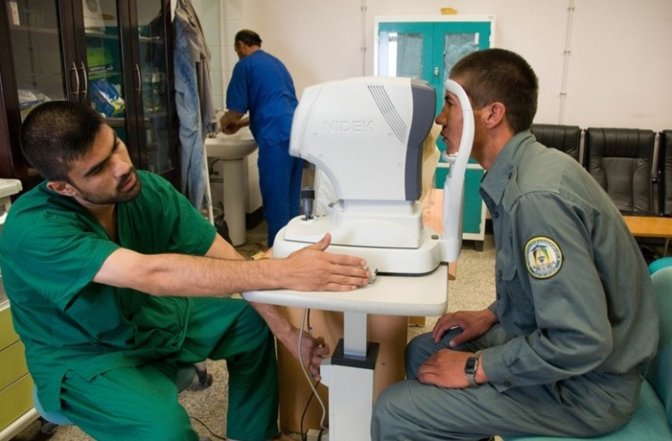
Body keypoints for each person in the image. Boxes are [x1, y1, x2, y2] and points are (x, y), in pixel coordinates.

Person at [0, 101, 370, 441]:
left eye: (115, 144)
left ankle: (253, 435)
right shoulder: (33, 229)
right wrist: (284, 272)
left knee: (249, 322)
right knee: (166, 431)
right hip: (84, 354)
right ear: (62, 187)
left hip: (147, 317)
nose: (122, 166)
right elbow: (151, 274)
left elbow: (230, 262)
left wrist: (288, 334)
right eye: (98, 169)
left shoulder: (145, 191)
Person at [371, 48, 659, 440]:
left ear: (492, 114)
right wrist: (492, 314)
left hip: (586, 389)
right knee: (425, 350)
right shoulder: (528, 168)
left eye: (450, 104)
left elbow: (581, 340)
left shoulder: (535, 199)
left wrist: (476, 368)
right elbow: (546, 286)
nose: (440, 119)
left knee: (395, 410)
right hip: (568, 355)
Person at [219, 29, 302, 248]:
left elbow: (235, 111)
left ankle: (276, 251)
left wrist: (223, 123)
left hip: (275, 137)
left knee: (276, 199)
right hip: (297, 132)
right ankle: (294, 247)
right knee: (291, 197)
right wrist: (241, 124)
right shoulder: (276, 63)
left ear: (240, 45)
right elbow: (272, 105)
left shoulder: (244, 66)